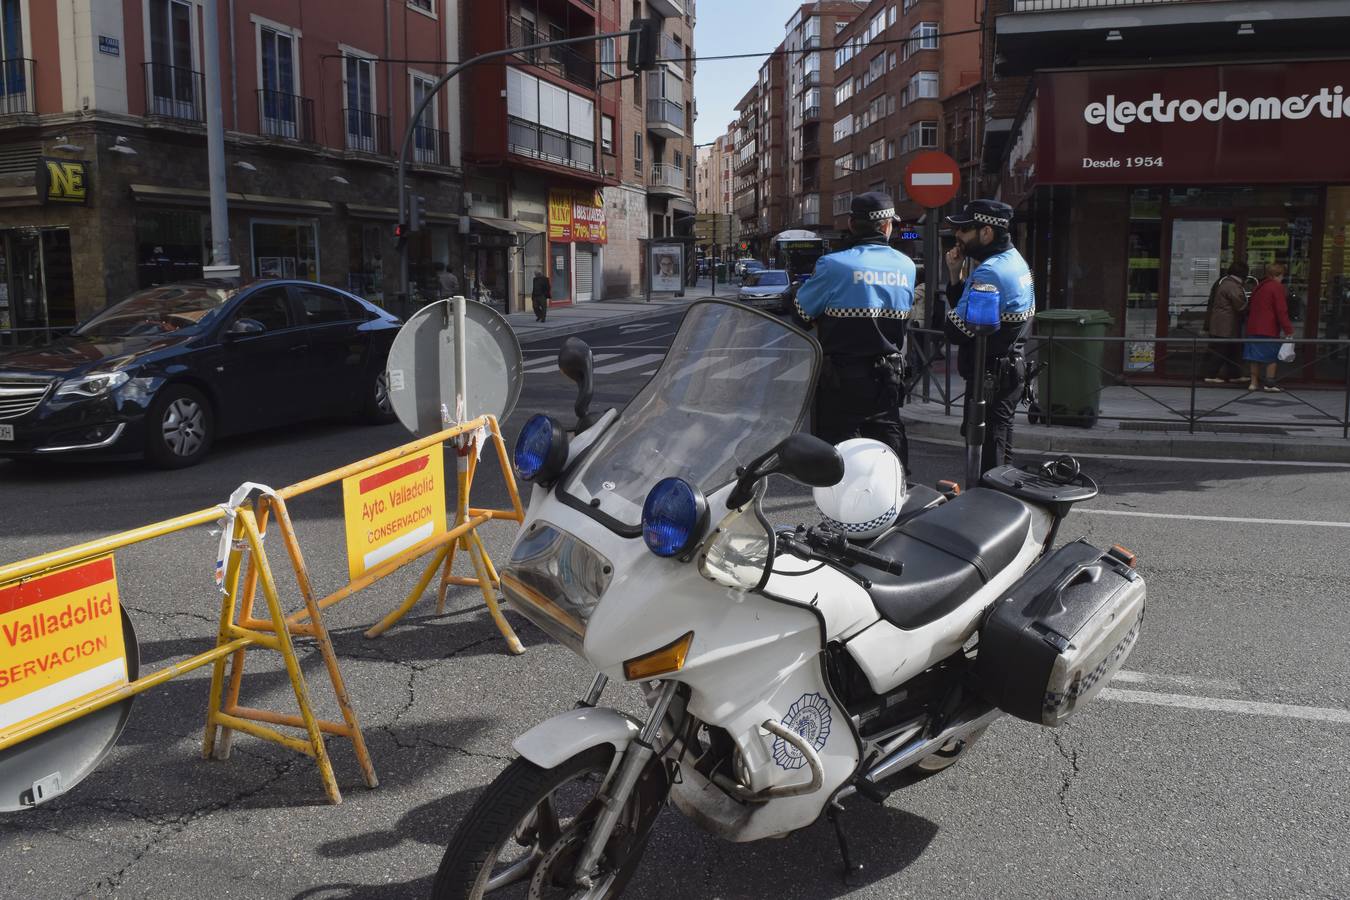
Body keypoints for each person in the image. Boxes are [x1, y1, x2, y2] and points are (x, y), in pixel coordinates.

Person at [794, 191, 915, 471]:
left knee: (836, 461)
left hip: (840, 383)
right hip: (887, 380)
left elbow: (801, 314)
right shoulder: (906, 266)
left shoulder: (833, 265)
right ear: (887, 226)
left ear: (851, 224)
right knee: (888, 457)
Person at [942, 199, 1035, 474]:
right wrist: (955, 276)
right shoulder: (1015, 260)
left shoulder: (990, 272)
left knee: (986, 459)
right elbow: (976, 318)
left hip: (990, 379)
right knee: (1000, 447)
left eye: (964, 229)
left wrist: (954, 304)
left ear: (986, 232)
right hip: (1008, 372)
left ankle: (990, 499)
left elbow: (956, 330)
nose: (957, 235)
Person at [1243, 261, 1294, 393]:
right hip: (1268, 327)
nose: (1282, 278)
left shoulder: (1258, 287)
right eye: (1282, 275)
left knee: (1254, 357)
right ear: (1278, 275)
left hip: (1253, 327)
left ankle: (1253, 383)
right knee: (1272, 356)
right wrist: (1288, 329)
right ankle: (1269, 383)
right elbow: (1281, 310)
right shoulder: (1276, 287)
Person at [1203, 261, 1248, 384]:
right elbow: (1240, 304)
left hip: (1222, 324)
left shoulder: (1226, 282)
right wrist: (1249, 307)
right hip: (1225, 325)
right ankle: (1211, 375)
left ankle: (1234, 374)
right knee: (1221, 350)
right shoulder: (1232, 285)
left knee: (1231, 350)